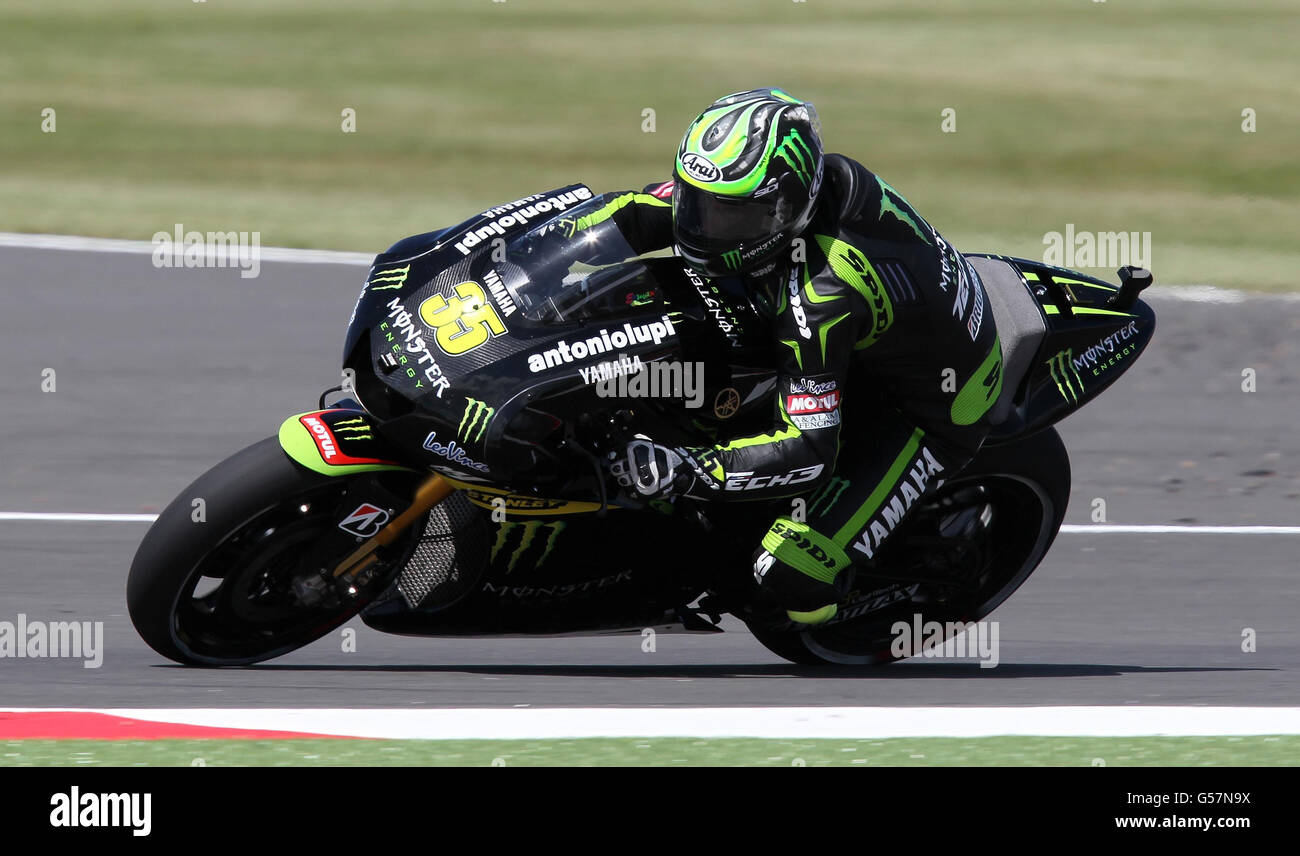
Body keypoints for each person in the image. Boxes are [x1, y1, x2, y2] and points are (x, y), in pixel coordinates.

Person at [597, 88, 1004, 626]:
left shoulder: (821, 297)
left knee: (789, 576)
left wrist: (691, 471)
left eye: (730, 216)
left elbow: (809, 449)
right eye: (700, 202)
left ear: (789, 208)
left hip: (933, 411)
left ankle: (858, 609)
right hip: (872, 341)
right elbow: (636, 210)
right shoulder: (790, 190)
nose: (702, 225)